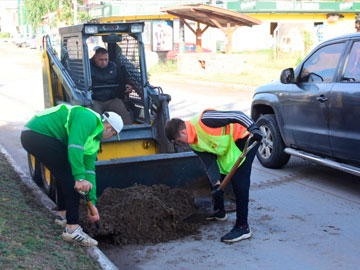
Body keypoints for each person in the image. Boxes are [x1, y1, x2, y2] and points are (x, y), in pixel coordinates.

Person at [20, 104, 123, 246]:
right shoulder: (89, 118)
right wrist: (79, 178)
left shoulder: (94, 141)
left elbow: (90, 171)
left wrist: (92, 203)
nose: (111, 137)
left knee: (65, 175)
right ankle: (72, 229)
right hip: (36, 133)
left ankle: (62, 216)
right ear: (110, 128)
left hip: (40, 137)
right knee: (71, 177)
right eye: (113, 135)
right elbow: (75, 146)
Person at [165, 109, 263, 243]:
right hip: (228, 146)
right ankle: (220, 212)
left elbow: (236, 115)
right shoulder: (194, 143)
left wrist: (254, 128)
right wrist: (217, 185)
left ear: (182, 132)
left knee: (240, 181)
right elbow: (210, 164)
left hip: (246, 137)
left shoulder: (204, 120)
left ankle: (243, 227)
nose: (179, 144)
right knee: (220, 175)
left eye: (178, 141)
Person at [90, 47, 133, 125]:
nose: (104, 62)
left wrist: (126, 88)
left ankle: (129, 133)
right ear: (95, 58)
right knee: (95, 120)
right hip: (95, 100)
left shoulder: (113, 66)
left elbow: (121, 81)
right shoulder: (88, 67)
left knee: (124, 116)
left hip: (112, 99)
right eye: (101, 60)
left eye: (106, 59)